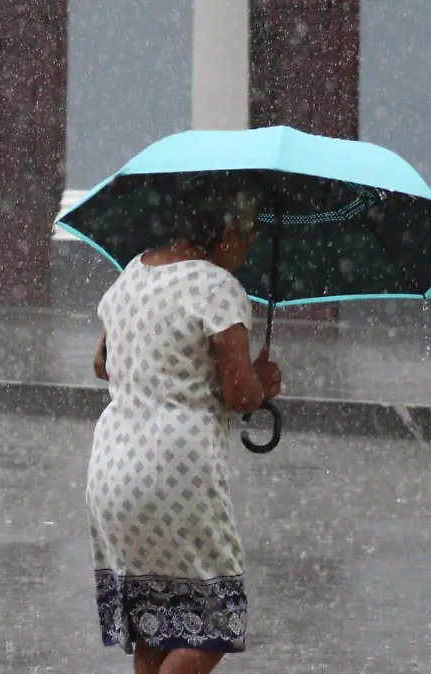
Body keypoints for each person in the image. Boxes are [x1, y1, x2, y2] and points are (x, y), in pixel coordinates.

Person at [87, 175, 282, 674]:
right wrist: (263, 383)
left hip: (112, 469)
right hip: (176, 473)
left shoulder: (132, 274)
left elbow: (102, 363)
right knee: (217, 623)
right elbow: (240, 395)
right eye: (246, 232)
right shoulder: (218, 288)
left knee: (157, 624)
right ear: (221, 237)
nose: (250, 242)